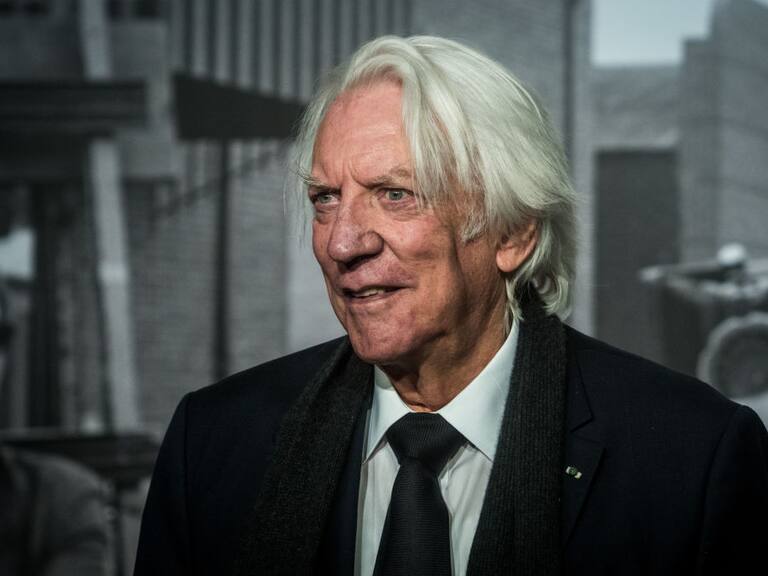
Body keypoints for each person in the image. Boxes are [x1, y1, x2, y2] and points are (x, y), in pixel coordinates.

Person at [134, 36, 768, 575]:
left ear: (513, 232)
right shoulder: (214, 444)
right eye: (326, 197)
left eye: (394, 194)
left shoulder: (692, 459)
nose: (342, 242)